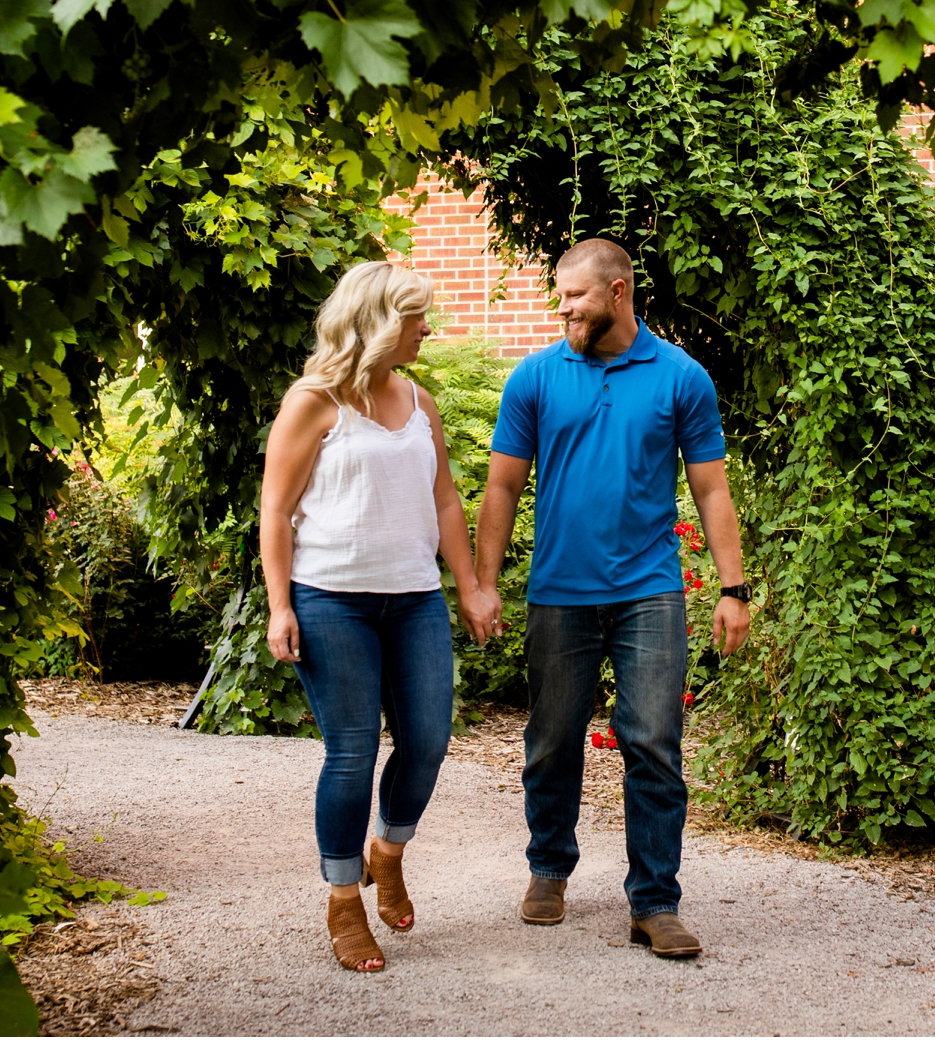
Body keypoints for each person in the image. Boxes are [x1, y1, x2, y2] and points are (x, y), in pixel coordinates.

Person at [465, 238, 753, 960]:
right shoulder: (533, 377)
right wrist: (484, 582)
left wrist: (732, 587)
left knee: (653, 742)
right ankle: (548, 868)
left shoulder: (680, 376)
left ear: (619, 292)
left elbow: (711, 487)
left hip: (648, 592)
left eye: (575, 296)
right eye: (559, 296)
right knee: (552, 738)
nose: (563, 308)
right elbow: (501, 486)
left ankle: (655, 900)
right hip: (559, 591)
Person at [261, 262, 492, 974]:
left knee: (426, 740)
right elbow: (274, 507)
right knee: (353, 751)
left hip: (414, 597)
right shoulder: (315, 400)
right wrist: (279, 604)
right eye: (417, 317)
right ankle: (342, 900)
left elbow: (445, 500)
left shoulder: (420, 400)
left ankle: (385, 853)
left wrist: (471, 585)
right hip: (331, 600)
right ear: (381, 322)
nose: (428, 328)